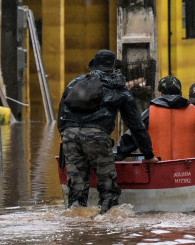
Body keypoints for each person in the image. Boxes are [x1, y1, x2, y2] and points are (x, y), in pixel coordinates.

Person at [57, 49, 158, 213]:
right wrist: (148, 155)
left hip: (69, 136)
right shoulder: (119, 87)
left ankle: (75, 225)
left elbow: (61, 116)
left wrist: (65, 136)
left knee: (76, 191)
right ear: (114, 68)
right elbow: (136, 126)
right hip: (97, 137)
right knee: (108, 190)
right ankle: (105, 229)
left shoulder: (75, 83)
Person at [116, 75, 195, 161]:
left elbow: (129, 140)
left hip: (156, 169)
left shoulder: (149, 113)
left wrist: (115, 154)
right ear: (181, 94)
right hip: (187, 172)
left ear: (160, 94)